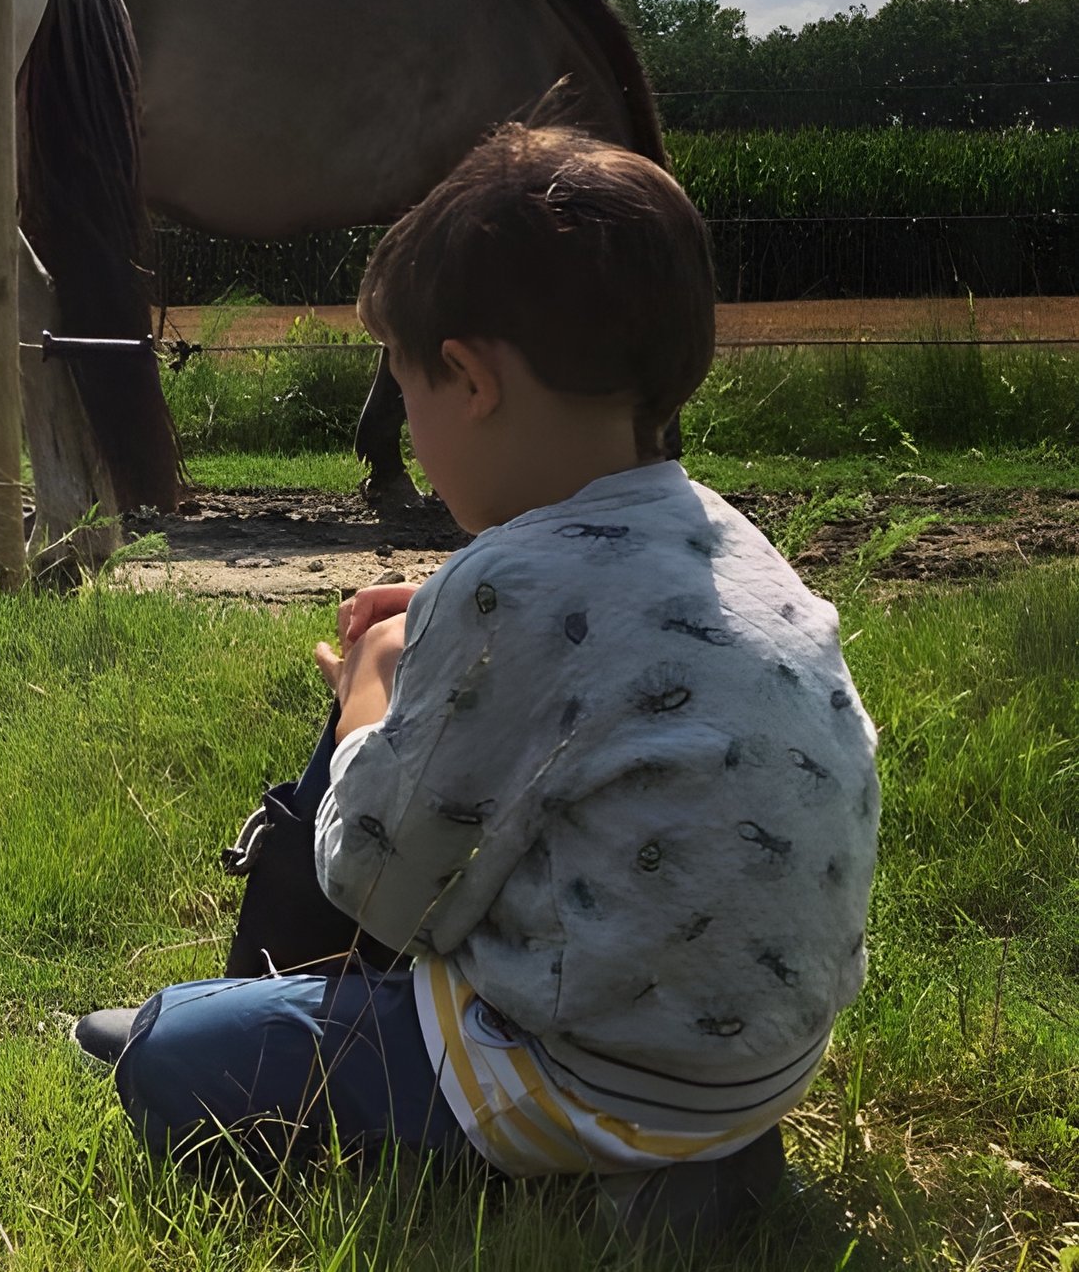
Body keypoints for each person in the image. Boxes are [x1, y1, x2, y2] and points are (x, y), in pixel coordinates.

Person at [75, 125, 880, 1240]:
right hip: (753, 1069)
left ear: (467, 379)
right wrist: (447, 626)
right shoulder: (740, 548)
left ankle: (311, 1027)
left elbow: (377, 879)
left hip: (592, 1074)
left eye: (406, 391)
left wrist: (369, 688)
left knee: (170, 1056)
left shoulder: (505, 587)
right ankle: (692, 1157)